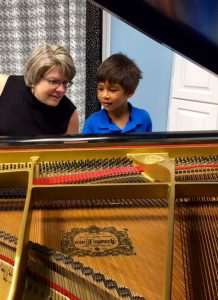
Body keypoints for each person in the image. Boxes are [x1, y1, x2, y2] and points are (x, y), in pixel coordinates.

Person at [0, 44, 79, 136]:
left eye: (65, 83)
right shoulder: (3, 85)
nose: (62, 90)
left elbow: (69, 150)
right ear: (35, 77)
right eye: (53, 81)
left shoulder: (70, 116)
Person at [82, 53, 152, 134]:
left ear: (130, 92)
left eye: (112, 90)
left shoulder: (144, 118)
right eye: (100, 89)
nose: (105, 95)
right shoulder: (92, 123)